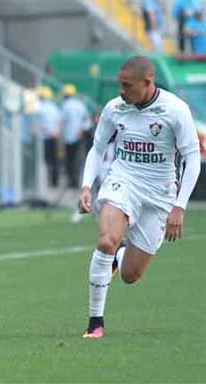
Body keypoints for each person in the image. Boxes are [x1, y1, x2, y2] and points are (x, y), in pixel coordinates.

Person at [77, 55, 201, 339]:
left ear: (148, 83)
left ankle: (120, 258)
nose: (121, 91)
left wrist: (179, 207)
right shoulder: (115, 108)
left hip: (160, 195)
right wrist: (86, 186)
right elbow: (97, 148)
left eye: (127, 85)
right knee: (106, 239)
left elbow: (192, 159)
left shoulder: (174, 110)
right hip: (123, 181)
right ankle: (95, 322)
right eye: (120, 85)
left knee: (131, 275)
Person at [61, 84, 89, 189]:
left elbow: (62, 121)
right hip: (79, 135)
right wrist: (81, 130)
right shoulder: (80, 104)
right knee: (78, 160)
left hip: (69, 136)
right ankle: (77, 180)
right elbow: (86, 119)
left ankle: (72, 181)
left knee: (69, 160)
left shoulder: (66, 105)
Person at [34, 86, 62, 188]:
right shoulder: (54, 107)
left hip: (42, 138)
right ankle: (54, 182)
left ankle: (42, 182)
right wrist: (56, 132)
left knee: (43, 160)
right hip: (54, 136)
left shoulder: (39, 107)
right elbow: (59, 122)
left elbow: (36, 124)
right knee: (54, 161)